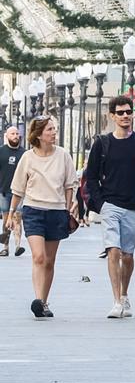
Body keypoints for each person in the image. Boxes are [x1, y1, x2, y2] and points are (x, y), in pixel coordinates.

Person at [84, 96, 135, 319]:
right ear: (112, 116)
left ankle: (124, 294)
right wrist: (100, 204)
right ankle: (116, 301)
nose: (125, 116)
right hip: (110, 205)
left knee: (128, 255)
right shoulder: (102, 143)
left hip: (133, 207)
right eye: (121, 112)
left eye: (128, 112)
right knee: (113, 250)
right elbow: (91, 176)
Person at [4, 116, 78, 318]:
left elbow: (70, 183)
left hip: (56, 211)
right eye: (50, 130)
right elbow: (18, 188)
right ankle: (38, 300)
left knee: (50, 261)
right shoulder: (27, 157)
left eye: (55, 129)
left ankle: (44, 302)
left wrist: (68, 208)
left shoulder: (63, 155)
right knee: (38, 256)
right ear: (38, 135)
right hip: (33, 210)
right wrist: (11, 213)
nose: (54, 133)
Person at [0, 126, 24, 257]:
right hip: (4, 191)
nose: (15, 136)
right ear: (7, 136)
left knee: (17, 218)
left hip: (19, 192)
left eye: (17, 134)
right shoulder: (1, 151)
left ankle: (18, 245)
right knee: (5, 219)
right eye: (12, 134)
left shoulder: (24, 153)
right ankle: (5, 247)